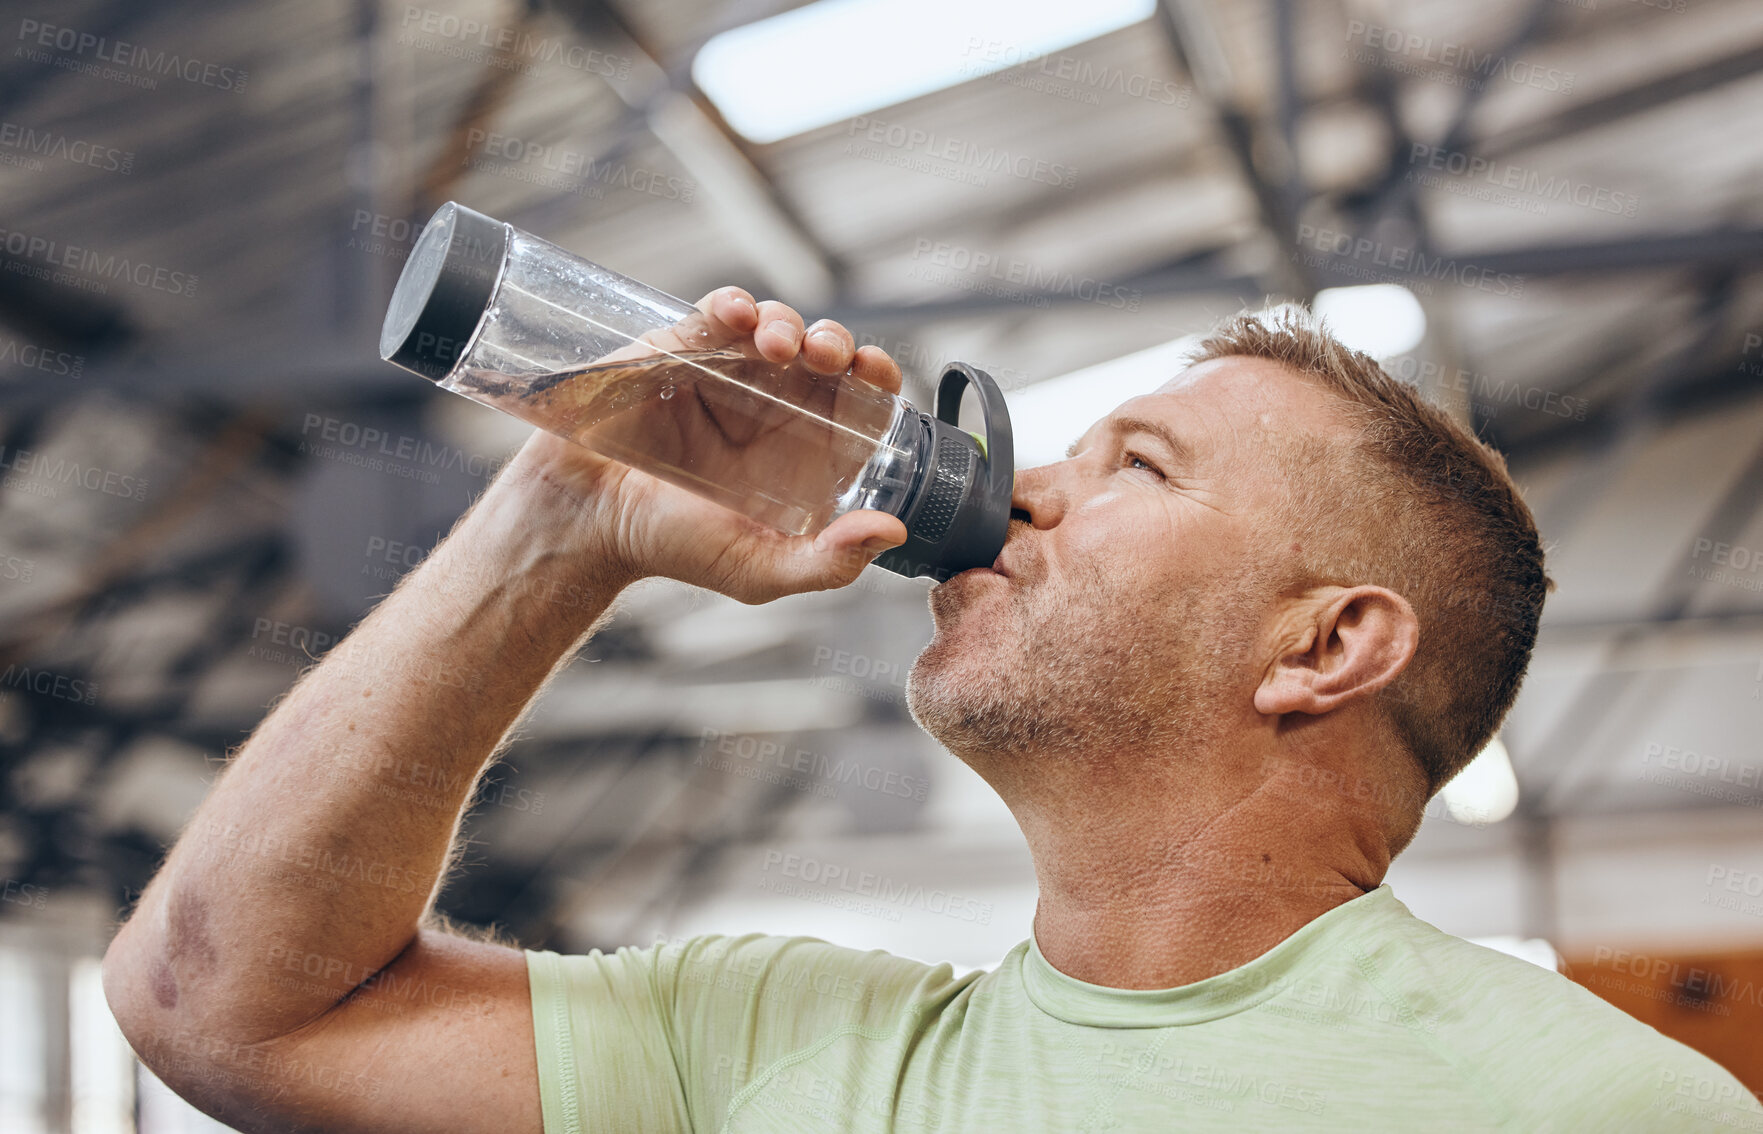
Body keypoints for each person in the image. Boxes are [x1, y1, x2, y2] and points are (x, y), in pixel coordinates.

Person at [102, 288, 1760, 1132]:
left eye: (1140, 467)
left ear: (1324, 646)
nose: (1026, 489)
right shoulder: (774, 1041)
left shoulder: (1585, 1105)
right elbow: (218, 1003)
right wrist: (561, 528)